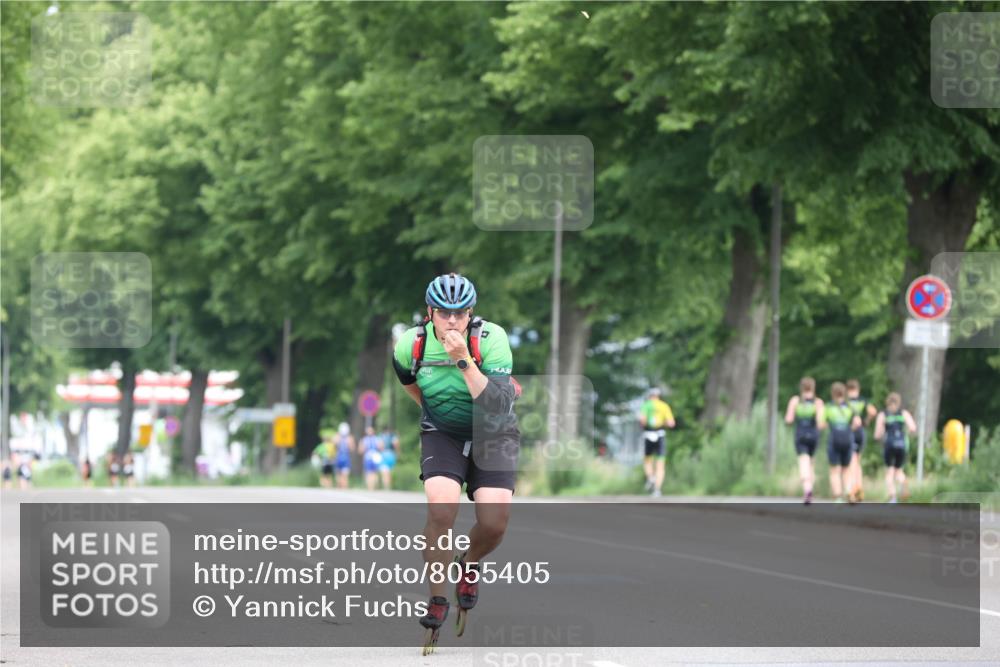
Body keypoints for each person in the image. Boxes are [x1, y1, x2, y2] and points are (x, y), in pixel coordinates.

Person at [391, 272, 520, 651]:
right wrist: (440, 416)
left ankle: (469, 560)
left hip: (494, 431)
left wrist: (462, 359)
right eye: (444, 313)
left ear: (471, 313)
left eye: (460, 313)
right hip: (443, 433)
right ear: (429, 312)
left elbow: (496, 405)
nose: (452, 321)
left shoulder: (491, 339)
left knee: (494, 523)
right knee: (440, 508)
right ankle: (437, 598)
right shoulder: (410, 344)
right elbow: (411, 386)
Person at [784, 377, 825, 504]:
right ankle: (810, 488)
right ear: (813, 388)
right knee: (811, 463)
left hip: (800, 435)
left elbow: (788, 420)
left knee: (803, 462)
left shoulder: (795, 401)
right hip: (813, 436)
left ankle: (807, 489)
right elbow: (820, 423)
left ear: (801, 388)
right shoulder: (818, 402)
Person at [873, 392, 916, 503]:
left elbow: (877, 434)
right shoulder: (903, 413)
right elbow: (913, 428)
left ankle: (892, 497)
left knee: (889, 472)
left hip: (889, 445)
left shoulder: (883, 414)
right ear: (898, 402)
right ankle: (903, 483)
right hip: (902, 445)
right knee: (899, 470)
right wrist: (906, 433)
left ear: (887, 402)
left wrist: (879, 437)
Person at [826, 382, 862, 503]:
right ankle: (848, 492)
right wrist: (848, 429)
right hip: (847, 440)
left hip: (834, 440)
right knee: (846, 469)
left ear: (832, 394)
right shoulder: (849, 407)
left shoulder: (829, 407)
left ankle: (838, 497)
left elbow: (821, 424)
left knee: (834, 470)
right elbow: (857, 423)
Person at [638, 387, 675, 498]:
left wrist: (645, 425)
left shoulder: (646, 405)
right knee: (660, 464)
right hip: (660, 435)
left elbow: (642, 420)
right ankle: (657, 490)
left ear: (650, 396)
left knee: (647, 460)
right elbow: (671, 423)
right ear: (659, 396)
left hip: (648, 434)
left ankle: (651, 478)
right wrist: (663, 423)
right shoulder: (664, 406)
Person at [845, 379, 878, 503]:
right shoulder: (862, 401)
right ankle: (859, 489)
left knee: (851, 462)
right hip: (861, 432)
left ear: (847, 390)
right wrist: (866, 421)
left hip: (850, 432)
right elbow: (873, 412)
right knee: (857, 462)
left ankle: (852, 490)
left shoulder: (846, 402)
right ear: (858, 390)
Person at [359, 426, 384, 491]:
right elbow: (381, 448)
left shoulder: (365, 440)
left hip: (370, 457)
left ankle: (371, 487)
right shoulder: (377, 439)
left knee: (370, 473)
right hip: (373, 457)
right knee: (372, 472)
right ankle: (372, 487)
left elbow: (361, 450)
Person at [333, 422, 355, 489]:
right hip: (338, 457)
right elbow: (333, 446)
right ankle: (339, 486)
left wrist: (349, 444)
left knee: (345, 475)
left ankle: (344, 487)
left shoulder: (349, 438)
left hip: (345, 457)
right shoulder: (337, 437)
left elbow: (352, 448)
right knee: (338, 475)